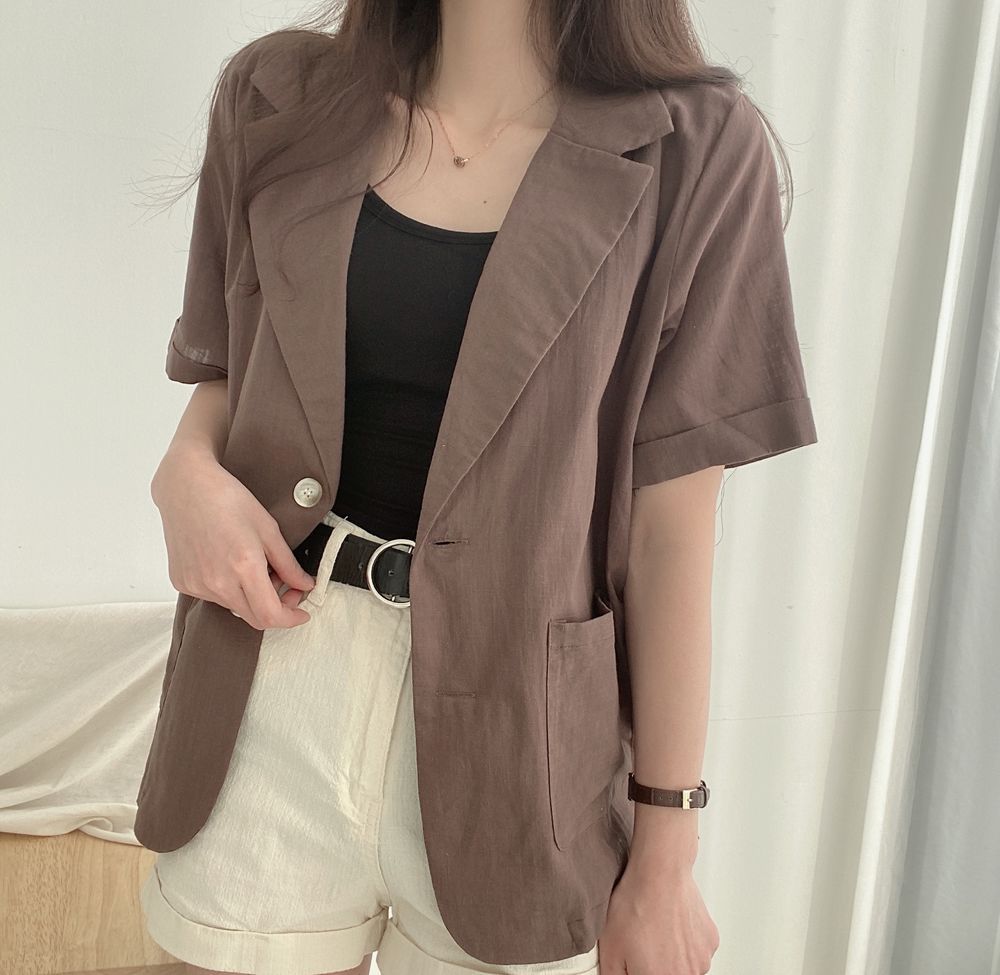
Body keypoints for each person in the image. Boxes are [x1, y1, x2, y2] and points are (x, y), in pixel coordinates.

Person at [135, 2, 818, 975]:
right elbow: (230, 371)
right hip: (268, 687)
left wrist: (665, 854)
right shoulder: (277, 93)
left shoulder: (696, 147)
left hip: (522, 744)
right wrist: (185, 474)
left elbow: (671, 530)